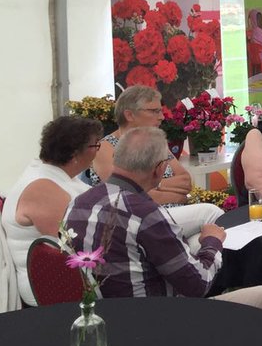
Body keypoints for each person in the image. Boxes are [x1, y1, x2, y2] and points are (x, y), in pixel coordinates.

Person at [64, 127, 262, 311]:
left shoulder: (77, 203)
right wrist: (213, 242)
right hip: (162, 320)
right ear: (160, 169)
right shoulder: (146, 213)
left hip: (101, 315)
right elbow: (198, 284)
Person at [86, 85, 222, 242]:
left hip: (171, 215)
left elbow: (185, 181)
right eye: (154, 111)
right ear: (129, 115)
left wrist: (151, 187)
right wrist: (175, 196)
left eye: (160, 110)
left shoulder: (157, 143)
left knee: (203, 242)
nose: (162, 116)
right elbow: (125, 195)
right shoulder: (105, 148)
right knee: (211, 213)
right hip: (135, 219)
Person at [3, 116, 103, 306]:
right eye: (95, 146)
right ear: (74, 154)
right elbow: (74, 243)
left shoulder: (57, 175)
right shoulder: (42, 188)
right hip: (53, 285)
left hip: (70, 274)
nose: (98, 151)